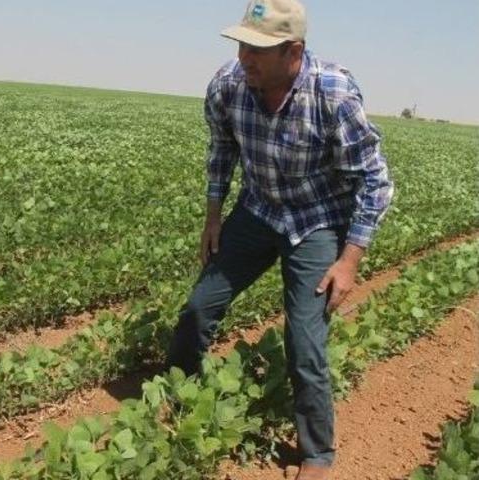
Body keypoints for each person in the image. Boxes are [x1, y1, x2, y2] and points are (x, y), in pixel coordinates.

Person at [166, 1, 393, 478]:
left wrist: (349, 261)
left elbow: (375, 182)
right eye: (243, 45)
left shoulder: (332, 93)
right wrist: (213, 216)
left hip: (317, 220)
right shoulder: (228, 85)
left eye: (259, 50)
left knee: (305, 340)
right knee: (198, 308)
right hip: (258, 208)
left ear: (294, 52)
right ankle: (178, 393)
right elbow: (222, 149)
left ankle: (317, 452)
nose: (246, 58)